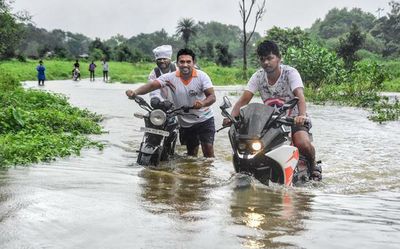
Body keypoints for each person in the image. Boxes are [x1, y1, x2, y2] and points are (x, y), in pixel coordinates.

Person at [223, 40, 321, 181]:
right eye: (262, 59)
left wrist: (301, 115)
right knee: (250, 142)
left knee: (302, 143)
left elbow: (300, 95)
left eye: (270, 58)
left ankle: (313, 167)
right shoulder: (258, 76)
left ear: (279, 58)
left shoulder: (290, 73)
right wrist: (231, 117)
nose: (266, 63)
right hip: (270, 121)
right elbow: (244, 100)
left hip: (293, 118)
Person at [126, 48, 216, 158]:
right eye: (182, 62)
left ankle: (208, 173)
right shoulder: (170, 77)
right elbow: (152, 85)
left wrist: (202, 103)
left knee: (208, 150)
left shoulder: (202, 76)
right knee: (191, 155)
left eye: (188, 62)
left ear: (194, 63)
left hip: (204, 119)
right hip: (185, 122)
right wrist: (135, 92)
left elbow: (212, 97)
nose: (185, 65)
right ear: (177, 63)